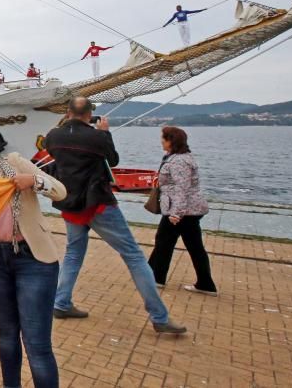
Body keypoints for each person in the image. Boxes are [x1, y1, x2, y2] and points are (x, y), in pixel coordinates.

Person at [45, 97, 187, 334]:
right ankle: (159, 317)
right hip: (98, 203)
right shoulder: (97, 137)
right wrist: (105, 133)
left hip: (70, 202)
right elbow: (113, 160)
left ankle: (61, 302)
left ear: (68, 112)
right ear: (90, 114)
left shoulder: (53, 136)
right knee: (133, 255)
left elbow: (55, 153)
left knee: (73, 254)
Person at [0, 126, 66, 388]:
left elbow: (61, 191)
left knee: (36, 343)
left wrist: (34, 182)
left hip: (33, 260)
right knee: (6, 335)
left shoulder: (14, 163)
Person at [148, 126, 217, 296]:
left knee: (164, 242)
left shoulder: (179, 161)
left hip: (181, 211)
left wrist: (176, 213)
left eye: (163, 138)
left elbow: (181, 188)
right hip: (188, 210)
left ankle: (155, 277)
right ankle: (205, 283)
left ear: (171, 141)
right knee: (193, 246)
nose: (161, 141)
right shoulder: (180, 158)